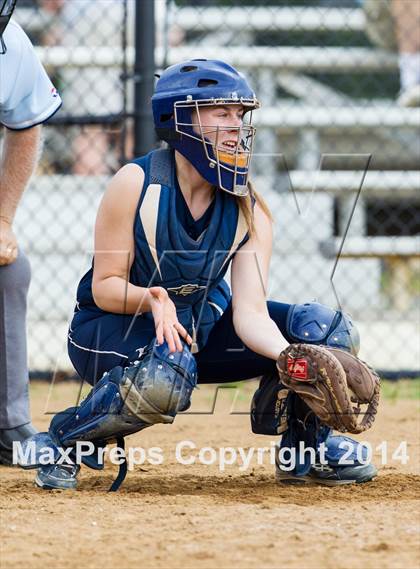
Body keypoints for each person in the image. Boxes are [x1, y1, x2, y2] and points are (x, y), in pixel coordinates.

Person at [20, 59, 377, 490]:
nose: (236, 127)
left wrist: (293, 360)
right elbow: (105, 287)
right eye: (221, 113)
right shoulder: (136, 183)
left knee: (323, 332)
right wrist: (153, 299)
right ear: (179, 118)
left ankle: (307, 447)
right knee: (163, 376)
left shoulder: (250, 207)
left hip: (195, 331)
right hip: (113, 329)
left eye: (240, 115)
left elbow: (250, 315)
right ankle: (65, 440)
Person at [0, 2, 62, 464]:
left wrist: (2, 220)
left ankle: (9, 424)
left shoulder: (9, 42)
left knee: (10, 268)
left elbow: (26, 125)